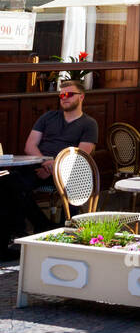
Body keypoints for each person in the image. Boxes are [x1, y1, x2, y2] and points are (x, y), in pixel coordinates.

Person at [0, 81, 97, 257]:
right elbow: (30, 145)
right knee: (7, 181)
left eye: (69, 94)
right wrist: (46, 163)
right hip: (39, 165)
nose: (64, 98)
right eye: (61, 95)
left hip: (68, 170)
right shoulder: (48, 117)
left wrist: (54, 166)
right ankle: (24, 232)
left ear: (81, 97)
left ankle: (54, 231)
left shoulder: (89, 123)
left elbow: (81, 154)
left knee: (71, 183)